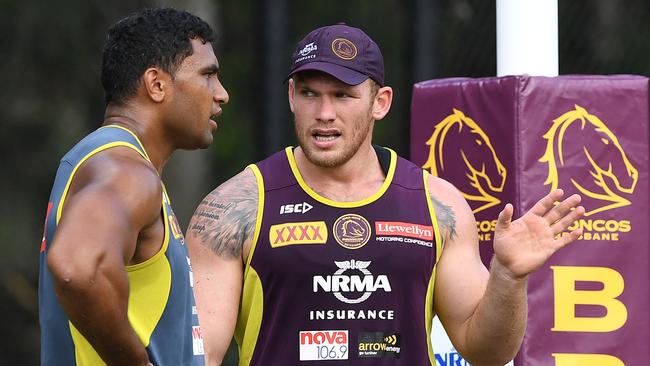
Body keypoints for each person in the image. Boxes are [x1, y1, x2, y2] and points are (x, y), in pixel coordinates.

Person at [186, 23, 584, 366]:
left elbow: (488, 353)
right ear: (291, 96)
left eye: (343, 95)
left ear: (380, 103)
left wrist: (509, 276)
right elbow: (198, 357)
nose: (324, 113)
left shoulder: (435, 203)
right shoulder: (236, 207)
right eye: (310, 94)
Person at [38, 7, 229, 366]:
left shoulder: (104, 161)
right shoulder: (126, 171)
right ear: (156, 84)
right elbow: (77, 267)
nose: (221, 94)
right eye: (207, 75)